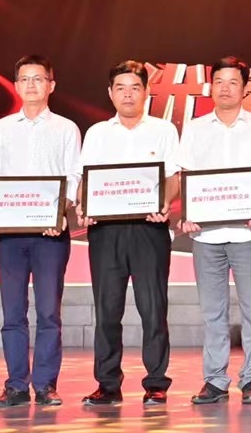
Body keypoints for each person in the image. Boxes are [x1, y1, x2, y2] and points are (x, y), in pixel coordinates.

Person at [76, 60, 180, 407]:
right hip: (106, 232)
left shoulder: (163, 130)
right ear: (110, 93)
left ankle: (156, 383)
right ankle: (107, 383)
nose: (128, 95)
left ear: (147, 92)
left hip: (149, 228)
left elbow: (173, 177)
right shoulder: (97, 133)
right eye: (120, 88)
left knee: (153, 308)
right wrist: (84, 206)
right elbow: (85, 179)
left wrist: (164, 202)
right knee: (107, 310)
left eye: (135, 88)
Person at [176, 56, 251, 406]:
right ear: (210, 87)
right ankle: (215, 380)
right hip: (206, 236)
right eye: (219, 81)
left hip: (249, 234)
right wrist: (189, 214)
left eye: (233, 82)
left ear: (244, 88)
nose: (225, 88)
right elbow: (186, 177)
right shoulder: (195, 128)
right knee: (213, 312)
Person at [0, 55, 81, 408]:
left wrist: (60, 212)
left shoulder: (66, 129)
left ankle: (45, 385)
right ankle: (15, 385)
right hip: (10, 233)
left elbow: (73, 176)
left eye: (38, 78)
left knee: (49, 312)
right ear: (16, 85)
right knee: (12, 313)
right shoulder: (1, 129)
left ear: (51, 85)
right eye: (24, 79)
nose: (31, 85)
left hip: (50, 233)